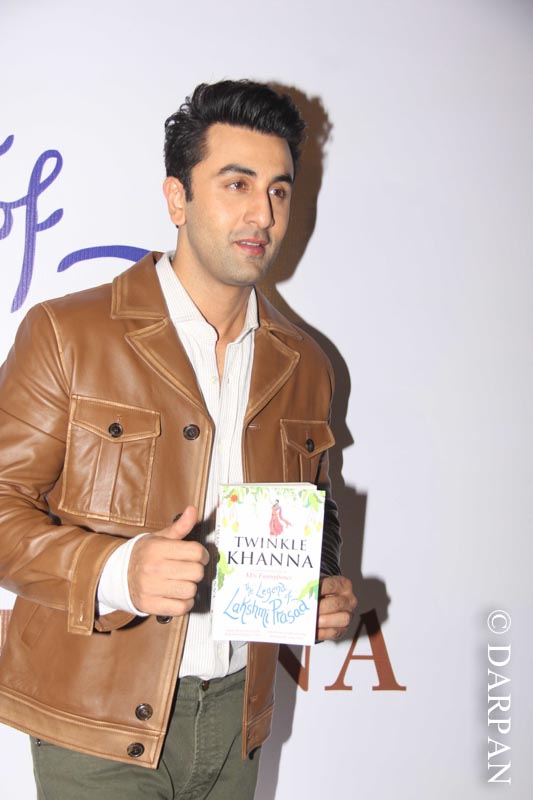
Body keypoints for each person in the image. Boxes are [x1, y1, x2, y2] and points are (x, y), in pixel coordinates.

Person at [0, 80, 356, 799]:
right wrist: (116, 570)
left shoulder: (306, 364)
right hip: (96, 722)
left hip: (238, 720)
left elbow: (314, 506)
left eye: (279, 191)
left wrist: (319, 582)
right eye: (237, 184)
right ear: (176, 198)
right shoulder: (68, 333)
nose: (262, 214)